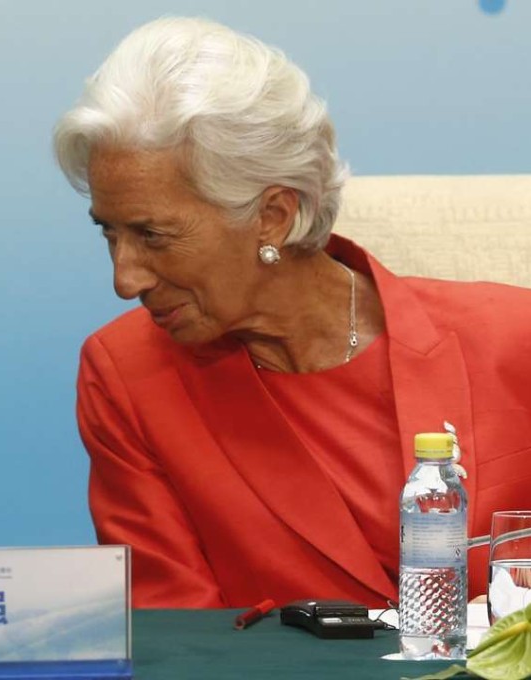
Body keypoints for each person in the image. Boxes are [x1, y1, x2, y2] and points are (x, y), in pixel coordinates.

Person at [53, 17, 531, 609]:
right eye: (110, 233)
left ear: (273, 216)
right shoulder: (127, 375)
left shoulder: (513, 338)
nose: (125, 280)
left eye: (152, 235)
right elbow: (175, 631)